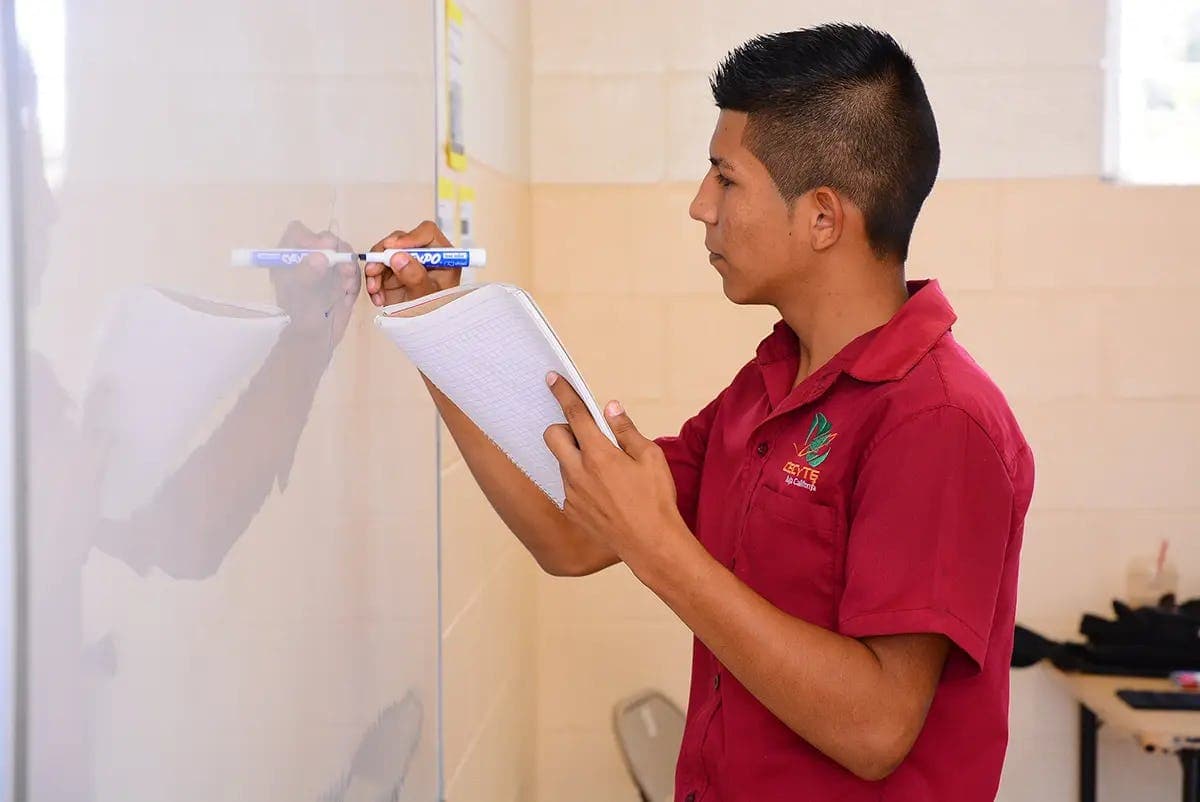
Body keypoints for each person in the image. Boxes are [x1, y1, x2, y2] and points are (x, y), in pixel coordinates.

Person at [365, 23, 1033, 802]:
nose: (699, 206)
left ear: (823, 217)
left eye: (726, 179)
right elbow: (571, 535)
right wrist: (436, 326)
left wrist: (661, 550)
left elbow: (876, 729)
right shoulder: (770, 387)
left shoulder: (939, 419)